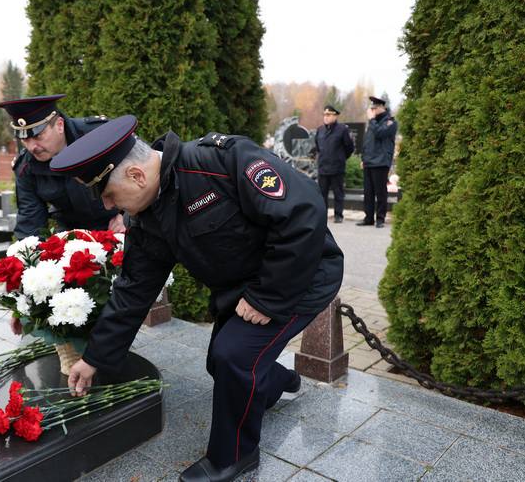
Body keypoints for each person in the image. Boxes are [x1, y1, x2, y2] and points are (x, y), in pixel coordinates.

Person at [50, 116, 344, 482]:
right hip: (244, 289)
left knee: (234, 356)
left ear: (137, 176)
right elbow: (133, 290)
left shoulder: (221, 162)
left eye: (109, 194)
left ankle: (232, 457)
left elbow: (303, 215)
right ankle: (280, 380)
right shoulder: (147, 217)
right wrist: (93, 358)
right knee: (219, 366)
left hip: (301, 273)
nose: (110, 206)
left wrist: (267, 298)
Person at [0, 94, 125, 239]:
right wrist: (28, 257)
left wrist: (127, 217)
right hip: (72, 239)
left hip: (121, 228)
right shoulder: (26, 167)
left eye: (38, 136)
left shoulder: (100, 135)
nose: (32, 147)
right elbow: (30, 225)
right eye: (25, 139)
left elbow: (146, 173)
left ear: (59, 125)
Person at [357, 96, 398, 228]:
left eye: (375, 108)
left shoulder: (390, 122)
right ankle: (368, 218)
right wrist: (363, 159)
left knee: (380, 192)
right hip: (369, 161)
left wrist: (372, 120)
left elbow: (380, 133)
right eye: (372, 108)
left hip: (381, 162)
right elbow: (367, 142)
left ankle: (380, 218)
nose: (372, 110)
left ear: (382, 108)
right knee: (368, 192)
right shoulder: (373, 123)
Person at [315, 105, 354, 223]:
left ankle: (338, 215)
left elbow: (349, 147)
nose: (326, 117)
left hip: (337, 167)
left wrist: (341, 158)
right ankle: (323, 215)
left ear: (335, 116)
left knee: (338, 193)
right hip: (323, 167)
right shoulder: (320, 130)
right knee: (322, 194)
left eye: (328, 115)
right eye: (324, 115)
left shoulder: (342, 129)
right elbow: (318, 146)